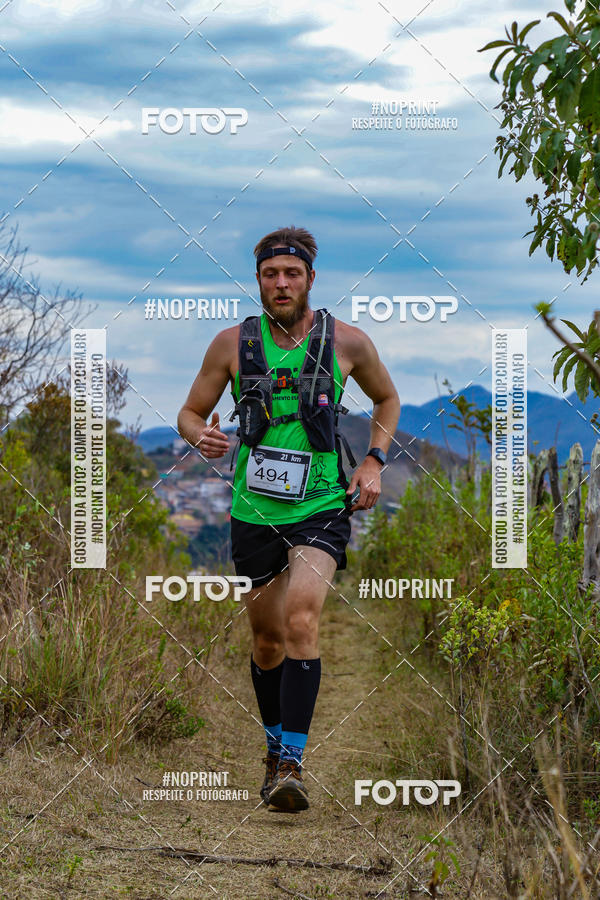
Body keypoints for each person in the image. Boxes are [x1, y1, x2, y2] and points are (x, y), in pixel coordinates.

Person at [177, 226, 400, 812]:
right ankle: (273, 748)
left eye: (292, 274)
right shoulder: (231, 345)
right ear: (257, 281)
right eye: (271, 274)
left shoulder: (347, 343)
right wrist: (199, 434)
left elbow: (388, 400)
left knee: (302, 620)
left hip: (321, 507)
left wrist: (373, 462)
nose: (281, 284)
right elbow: (189, 410)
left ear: (310, 279)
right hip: (254, 511)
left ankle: (293, 764)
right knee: (268, 640)